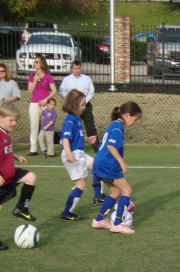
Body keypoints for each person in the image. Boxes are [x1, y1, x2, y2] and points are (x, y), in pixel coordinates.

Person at [0, 102, 38, 250]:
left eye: (15, 120)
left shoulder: (5, 132)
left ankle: (21, 208)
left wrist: (16, 156)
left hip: (9, 173)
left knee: (31, 177)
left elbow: (4, 150)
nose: (14, 124)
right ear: (0, 117)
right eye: (11, 120)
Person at [92, 101, 142, 234]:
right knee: (127, 191)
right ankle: (118, 223)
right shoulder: (117, 127)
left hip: (101, 162)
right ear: (127, 115)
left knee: (115, 192)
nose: (135, 122)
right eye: (135, 119)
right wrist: (121, 162)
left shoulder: (114, 125)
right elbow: (111, 146)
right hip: (108, 164)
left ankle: (99, 220)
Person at [59, 90, 101, 221]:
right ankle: (66, 213)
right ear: (74, 105)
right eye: (82, 104)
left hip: (79, 153)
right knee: (81, 185)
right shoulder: (70, 120)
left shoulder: (77, 119)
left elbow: (75, 137)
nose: (84, 107)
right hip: (73, 155)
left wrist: (87, 139)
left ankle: (98, 197)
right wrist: (69, 154)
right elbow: (65, 139)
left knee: (98, 166)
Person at [59, 61, 98, 152]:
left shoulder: (86, 79)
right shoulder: (67, 80)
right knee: (75, 126)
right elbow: (61, 91)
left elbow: (91, 92)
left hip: (86, 106)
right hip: (73, 107)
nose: (77, 70)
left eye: (78, 68)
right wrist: (72, 101)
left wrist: (83, 103)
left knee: (90, 126)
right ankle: (74, 146)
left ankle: (96, 147)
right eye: (75, 68)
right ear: (72, 68)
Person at [27, 56, 57, 156]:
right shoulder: (32, 76)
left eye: (37, 62)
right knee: (34, 126)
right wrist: (35, 80)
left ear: (42, 64)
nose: (35, 63)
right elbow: (30, 90)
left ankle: (48, 149)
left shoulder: (48, 76)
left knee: (46, 125)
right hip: (34, 103)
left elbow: (54, 91)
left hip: (45, 103)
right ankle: (33, 148)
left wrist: (46, 100)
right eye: (34, 62)